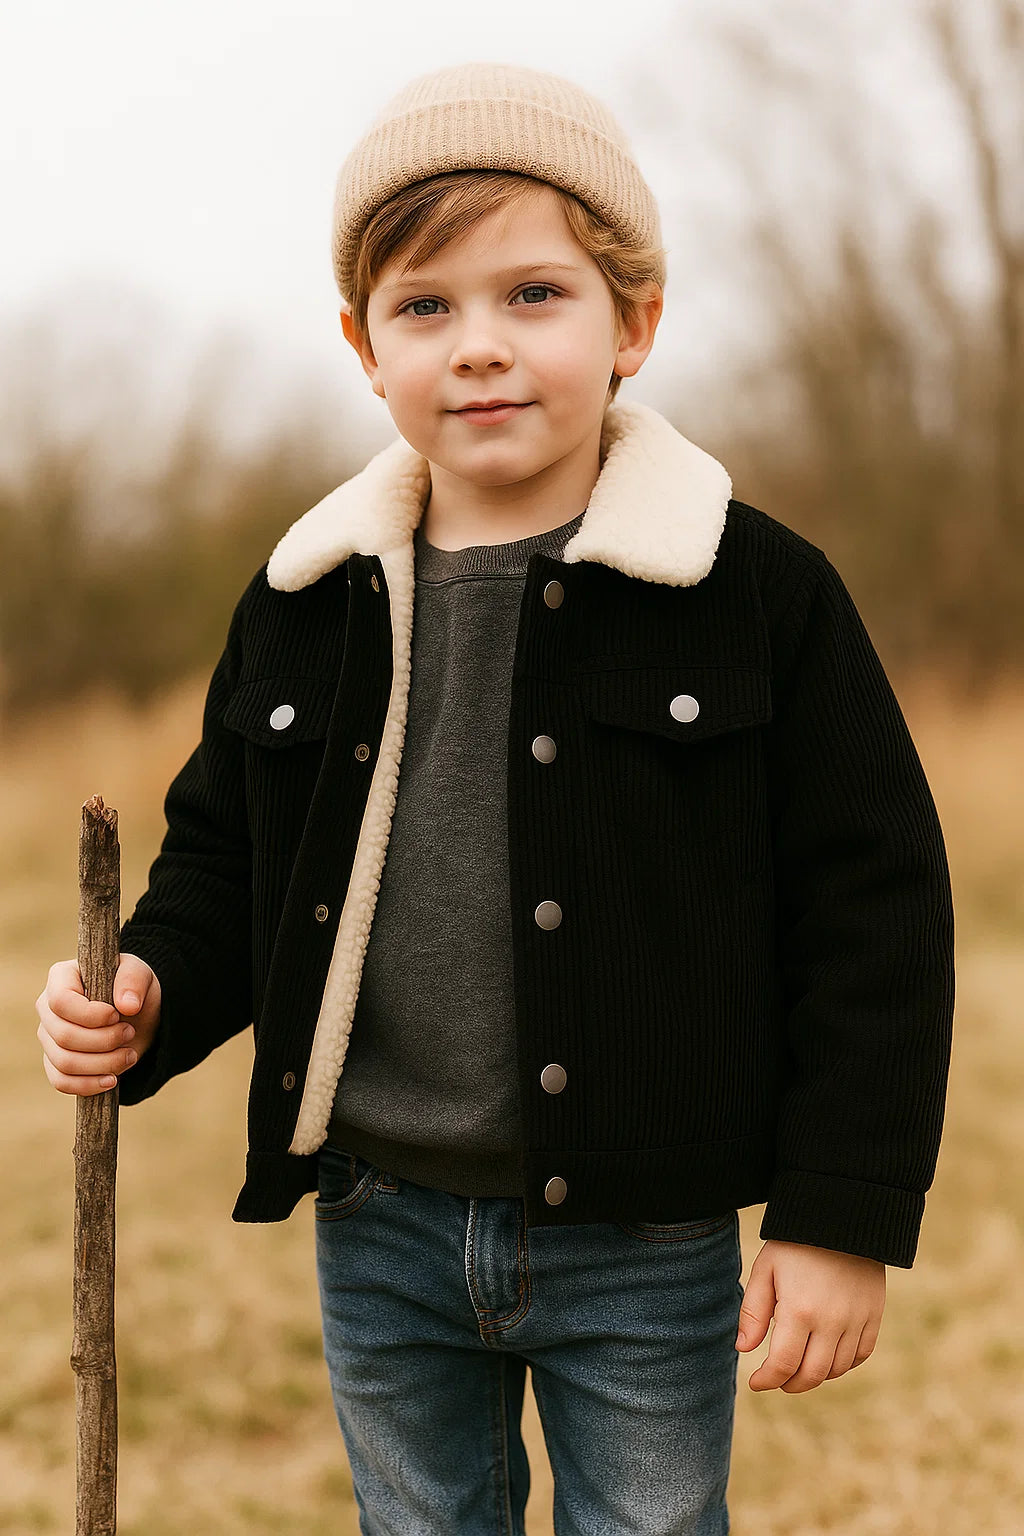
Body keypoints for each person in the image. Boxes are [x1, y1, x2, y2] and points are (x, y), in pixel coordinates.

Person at [35, 61, 955, 1535]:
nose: (480, 346)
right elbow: (227, 862)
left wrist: (842, 1214)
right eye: (425, 306)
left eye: (535, 295)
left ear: (633, 324)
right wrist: (146, 987)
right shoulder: (307, 598)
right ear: (362, 346)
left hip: (646, 1234)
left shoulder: (753, 593)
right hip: (376, 1217)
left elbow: (877, 909)